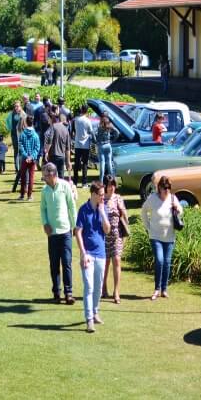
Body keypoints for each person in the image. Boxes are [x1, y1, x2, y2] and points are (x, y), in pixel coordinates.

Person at [75, 181, 110, 333]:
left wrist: (102, 212)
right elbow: (77, 232)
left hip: (101, 254)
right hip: (88, 254)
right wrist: (83, 253)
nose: (103, 197)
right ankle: (89, 319)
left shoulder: (104, 208)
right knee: (89, 287)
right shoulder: (83, 210)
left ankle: (95, 311)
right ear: (94, 194)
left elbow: (107, 230)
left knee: (98, 287)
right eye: (101, 195)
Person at [40, 162, 77, 304]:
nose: (44, 178)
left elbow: (71, 206)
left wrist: (75, 226)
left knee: (66, 262)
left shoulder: (65, 186)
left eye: (45, 175)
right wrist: (45, 224)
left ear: (52, 174)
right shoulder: (44, 191)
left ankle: (68, 293)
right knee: (54, 263)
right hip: (52, 233)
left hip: (66, 231)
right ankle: (56, 293)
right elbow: (43, 209)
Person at [141, 176, 181, 300]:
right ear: (159, 188)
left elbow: (180, 212)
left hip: (169, 236)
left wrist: (176, 208)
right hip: (155, 236)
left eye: (169, 188)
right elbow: (143, 211)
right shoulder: (152, 198)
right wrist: (148, 227)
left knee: (167, 262)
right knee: (159, 260)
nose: (167, 191)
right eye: (165, 188)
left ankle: (164, 289)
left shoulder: (173, 198)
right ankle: (157, 289)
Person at [101, 175, 128, 304]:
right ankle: (103, 286)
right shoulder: (101, 199)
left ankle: (116, 291)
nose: (111, 187)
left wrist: (123, 214)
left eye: (113, 185)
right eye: (109, 185)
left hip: (117, 235)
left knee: (117, 260)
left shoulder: (118, 198)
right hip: (103, 236)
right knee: (105, 263)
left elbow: (125, 217)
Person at [16, 115, 40, 199]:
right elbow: (37, 148)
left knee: (23, 177)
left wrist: (26, 156)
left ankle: (22, 194)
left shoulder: (22, 134)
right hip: (32, 160)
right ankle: (29, 195)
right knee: (31, 178)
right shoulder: (36, 135)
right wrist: (32, 157)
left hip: (24, 159)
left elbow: (21, 146)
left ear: (25, 122)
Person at [70, 104, 94, 187]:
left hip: (77, 144)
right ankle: (84, 182)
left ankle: (75, 181)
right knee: (85, 164)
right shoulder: (87, 120)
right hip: (85, 145)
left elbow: (72, 130)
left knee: (76, 164)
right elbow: (91, 131)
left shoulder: (75, 119)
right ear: (87, 111)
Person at [44, 112, 71, 179]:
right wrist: (68, 161)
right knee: (61, 175)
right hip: (62, 156)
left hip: (53, 155)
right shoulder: (66, 130)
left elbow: (50, 140)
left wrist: (47, 152)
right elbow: (68, 148)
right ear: (63, 120)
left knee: (52, 174)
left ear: (58, 119)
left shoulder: (54, 126)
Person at [94, 114, 119, 182]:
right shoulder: (109, 125)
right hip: (108, 145)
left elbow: (93, 133)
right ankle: (112, 180)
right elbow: (117, 132)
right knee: (109, 163)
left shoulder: (99, 126)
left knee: (102, 164)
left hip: (101, 145)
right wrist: (113, 140)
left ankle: (101, 181)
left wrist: (96, 140)